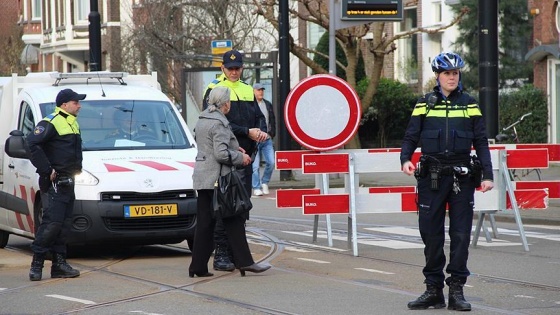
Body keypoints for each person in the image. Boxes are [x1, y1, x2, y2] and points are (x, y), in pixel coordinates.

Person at [400, 52, 494, 311]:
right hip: (431, 178)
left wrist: (488, 175)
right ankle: (433, 290)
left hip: (462, 178)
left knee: (461, 235)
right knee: (431, 235)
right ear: (438, 76)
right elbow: (410, 136)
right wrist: (405, 159)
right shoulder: (424, 104)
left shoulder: (470, 103)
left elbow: (482, 142)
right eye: (447, 73)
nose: (452, 77)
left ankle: (456, 291)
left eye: (455, 73)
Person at [189, 86, 271, 277]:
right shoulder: (219, 123)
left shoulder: (202, 119)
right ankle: (245, 263)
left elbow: (208, 146)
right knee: (235, 217)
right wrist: (239, 157)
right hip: (220, 180)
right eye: (229, 102)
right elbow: (221, 154)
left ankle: (197, 267)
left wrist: (235, 149)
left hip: (203, 178)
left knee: (205, 224)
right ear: (225, 104)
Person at [202, 50, 268, 271]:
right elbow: (217, 122)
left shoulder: (248, 90)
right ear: (222, 68)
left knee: (241, 207)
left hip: (247, 158)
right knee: (226, 206)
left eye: (237, 68)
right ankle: (222, 254)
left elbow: (259, 117)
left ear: (242, 68)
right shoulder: (214, 90)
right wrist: (247, 131)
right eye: (230, 68)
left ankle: (234, 253)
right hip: (227, 159)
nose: (234, 71)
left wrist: (262, 132)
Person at [26, 88, 86, 281]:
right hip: (55, 183)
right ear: (64, 104)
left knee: (63, 225)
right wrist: (47, 169)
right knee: (51, 224)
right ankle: (37, 264)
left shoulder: (72, 123)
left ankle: (59, 264)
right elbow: (31, 143)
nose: (79, 106)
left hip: (68, 182)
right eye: (76, 102)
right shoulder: (50, 122)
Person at [251, 83, 276, 196]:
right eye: (258, 90)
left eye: (262, 90)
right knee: (255, 166)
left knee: (271, 162)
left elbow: (272, 120)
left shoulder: (267, 104)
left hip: (266, 139)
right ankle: (256, 187)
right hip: (254, 139)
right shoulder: (250, 105)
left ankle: (264, 182)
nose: (261, 92)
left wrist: (271, 134)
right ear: (253, 91)